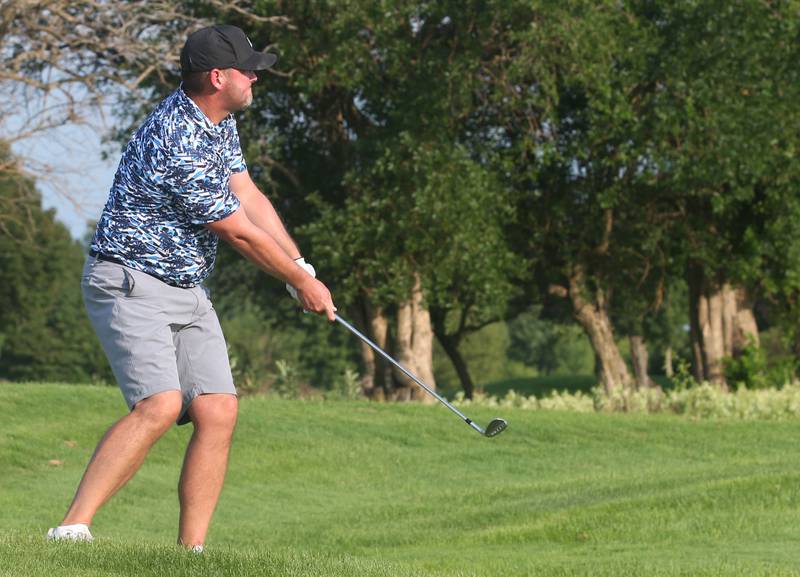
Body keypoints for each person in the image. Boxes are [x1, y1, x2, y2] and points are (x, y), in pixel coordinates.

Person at [46, 24, 336, 551]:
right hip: (129, 281)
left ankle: (191, 553)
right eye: (248, 70)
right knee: (160, 404)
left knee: (218, 408)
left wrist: (300, 265)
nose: (255, 78)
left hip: (185, 286)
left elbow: (245, 192)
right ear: (218, 76)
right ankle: (71, 527)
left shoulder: (216, 123)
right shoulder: (177, 136)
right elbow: (237, 233)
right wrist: (297, 283)